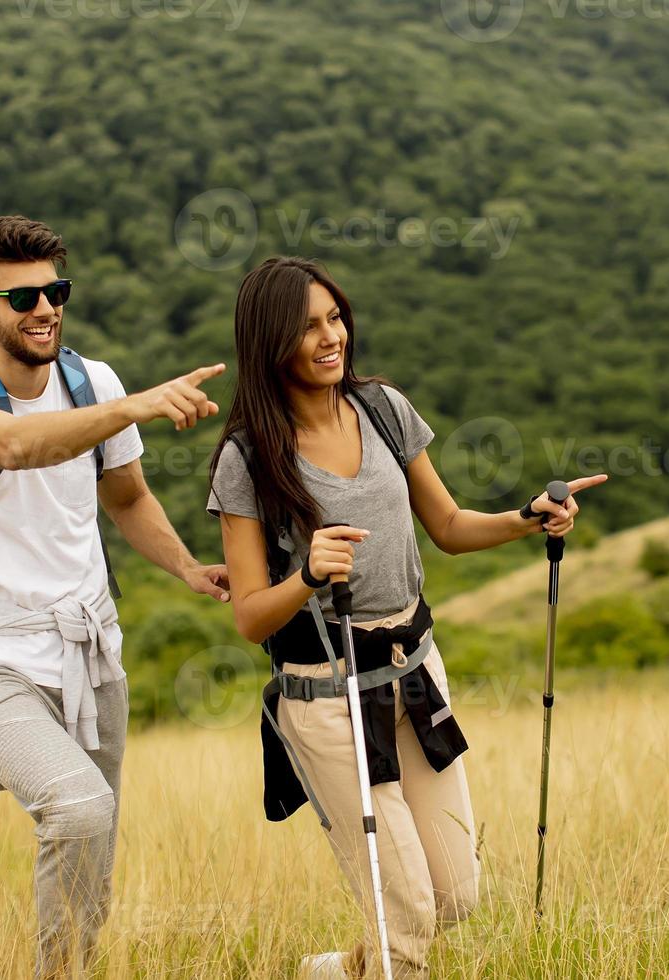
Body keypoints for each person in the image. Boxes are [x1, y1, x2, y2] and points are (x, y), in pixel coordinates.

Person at [205, 256, 605, 979]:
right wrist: (305, 575)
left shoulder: (383, 408)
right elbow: (251, 618)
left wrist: (526, 519)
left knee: (453, 898)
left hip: (414, 675)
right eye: (307, 328)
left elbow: (448, 525)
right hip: (327, 698)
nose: (331, 338)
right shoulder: (247, 459)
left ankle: (335, 971)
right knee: (406, 916)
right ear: (268, 344)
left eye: (335, 317)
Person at [0, 215, 230, 978]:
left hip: (89, 648)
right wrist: (133, 408)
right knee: (78, 810)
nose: (45, 309)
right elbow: (9, 447)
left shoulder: (96, 381)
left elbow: (124, 496)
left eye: (56, 290)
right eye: (21, 298)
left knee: (96, 853)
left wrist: (186, 567)